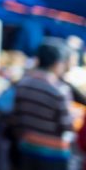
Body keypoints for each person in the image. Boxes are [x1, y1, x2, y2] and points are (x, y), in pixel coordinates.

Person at [11, 41, 75, 170]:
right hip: (54, 154)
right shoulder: (59, 90)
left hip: (27, 148)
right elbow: (66, 126)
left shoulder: (22, 84)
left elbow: (16, 118)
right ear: (57, 63)